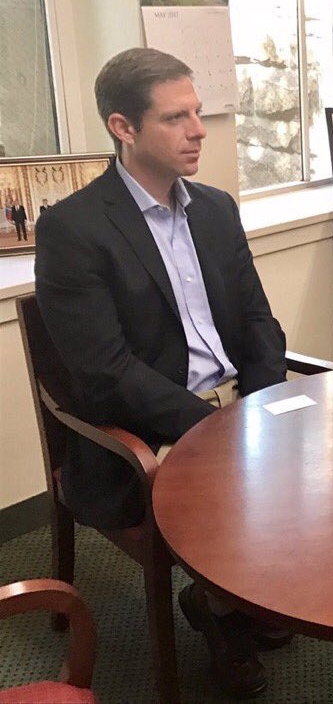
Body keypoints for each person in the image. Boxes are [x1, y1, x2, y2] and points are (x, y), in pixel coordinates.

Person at [35, 47, 290, 697]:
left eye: (197, 113)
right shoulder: (73, 230)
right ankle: (222, 610)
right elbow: (106, 372)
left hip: (235, 404)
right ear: (123, 127)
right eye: (176, 118)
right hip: (147, 426)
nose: (199, 130)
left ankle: (247, 593)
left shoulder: (215, 208)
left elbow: (258, 323)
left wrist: (266, 404)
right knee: (236, 484)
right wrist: (214, 426)